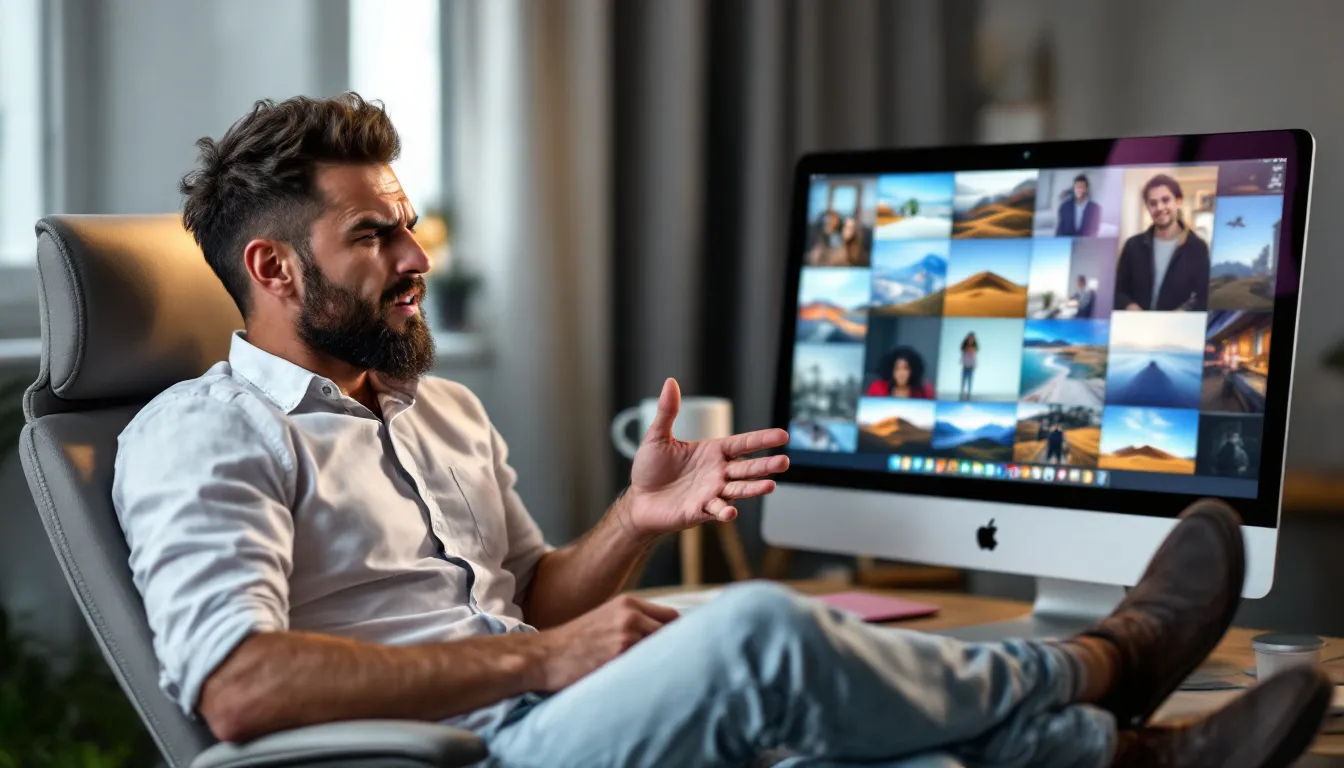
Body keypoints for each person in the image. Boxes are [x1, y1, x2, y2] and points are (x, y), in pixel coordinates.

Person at [113, 94, 1331, 768]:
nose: (413, 260)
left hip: (546, 717)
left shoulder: (440, 410)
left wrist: (634, 523)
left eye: (408, 225)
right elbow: (239, 686)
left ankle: (1131, 766)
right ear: (273, 267)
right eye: (372, 237)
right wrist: (541, 665)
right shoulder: (199, 436)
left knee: (886, 755)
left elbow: (533, 597)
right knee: (751, 628)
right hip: (443, 757)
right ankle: (1100, 664)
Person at [1114, 174, 1211, 311]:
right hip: (1137, 327)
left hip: (1178, 329)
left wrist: (1184, 311)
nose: (1159, 208)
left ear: (1178, 201)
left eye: (1165, 200)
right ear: (1148, 207)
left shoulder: (1197, 248)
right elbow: (1118, 292)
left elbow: (1203, 296)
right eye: (1153, 203)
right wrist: (1130, 306)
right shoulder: (1132, 246)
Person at [866, 346, 934, 399]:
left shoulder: (922, 392)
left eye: (906, 368)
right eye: (897, 368)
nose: (901, 373)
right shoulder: (878, 388)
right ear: (891, 371)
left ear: (912, 371)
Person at [959, 332, 979, 400]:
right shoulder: (964, 345)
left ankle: (969, 394)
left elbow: (975, 356)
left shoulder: (975, 346)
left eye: (972, 338)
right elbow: (962, 353)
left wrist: (975, 364)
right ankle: (962, 393)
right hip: (965, 365)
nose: (971, 339)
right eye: (970, 337)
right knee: (963, 380)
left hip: (971, 365)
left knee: (970, 380)